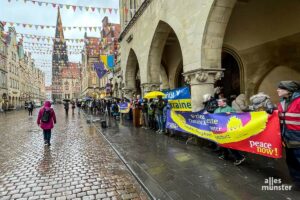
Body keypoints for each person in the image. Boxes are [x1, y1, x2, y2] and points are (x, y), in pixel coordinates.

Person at [277, 80, 300, 190]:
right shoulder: (282, 102)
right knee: (291, 162)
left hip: (298, 139)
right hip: (287, 139)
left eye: (280, 88)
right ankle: (297, 183)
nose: (277, 90)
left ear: (288, 90)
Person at [214, 98, 246, 166]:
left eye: (220, 102)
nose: (218, 103)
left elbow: (236, 117)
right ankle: (225, 155)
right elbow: (213, 117)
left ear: (224, 102)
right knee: (222, 142)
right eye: (218, 102)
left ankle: (239, 157)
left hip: (227, 130)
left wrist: (231, 114)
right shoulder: (217, 109)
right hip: (220, 129)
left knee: (229, 144)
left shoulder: (230, 109)